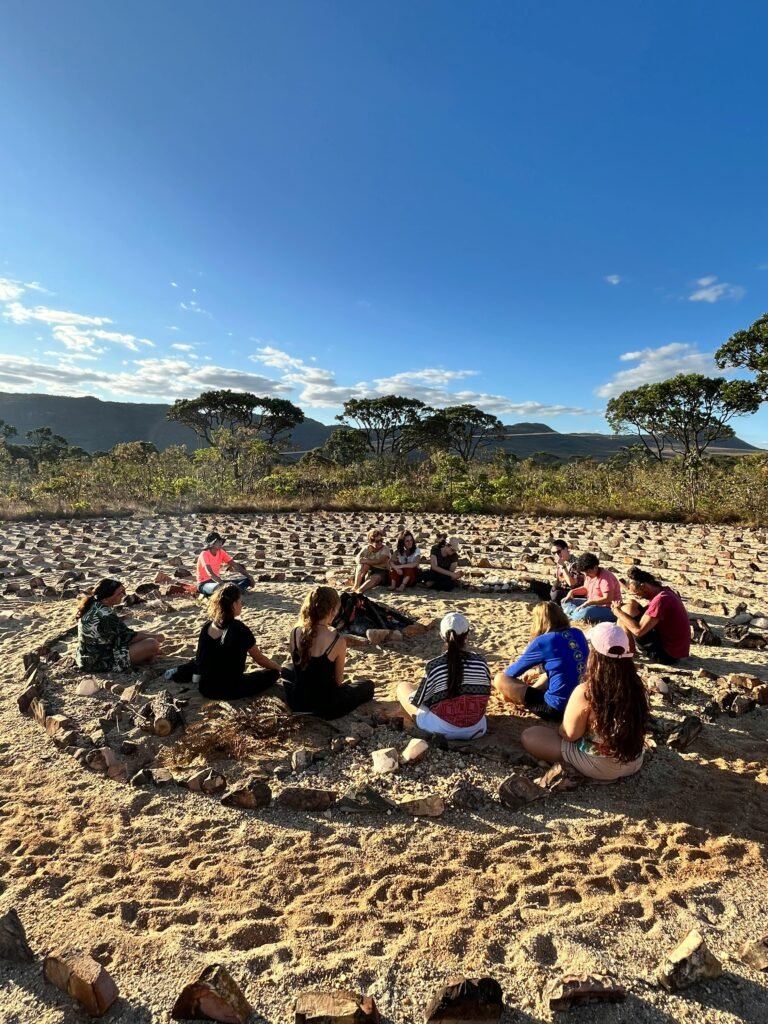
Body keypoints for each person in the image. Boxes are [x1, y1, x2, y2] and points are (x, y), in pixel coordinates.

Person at [521, 623, 649, 782]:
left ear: (594, 654)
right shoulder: (637, 685)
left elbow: (569, 735)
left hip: (601, 766)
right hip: (634, 759)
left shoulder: (587, 691)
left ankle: (585, 769)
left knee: (530, 735)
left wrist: (561, 728)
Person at [283, 586, 375, 718]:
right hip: (327, 707)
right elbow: (338, 681)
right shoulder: (336, 640)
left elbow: (300, 665)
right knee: (368, 686)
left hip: (298, 703)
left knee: (288, 667)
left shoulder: (295, 632)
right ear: (332, 610)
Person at [397, 612, 491, 739]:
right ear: (467, 634)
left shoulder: (434, 666)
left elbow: (419, 701)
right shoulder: (481, 663)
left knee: (403, 687)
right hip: (477, 728)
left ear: (442, 636)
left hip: (441, 729)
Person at [181, 584, 282, 700]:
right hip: (231, 689)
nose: (241, 604)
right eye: (240, 601)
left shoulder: (207, 627)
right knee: (271, 674)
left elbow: (199, 660)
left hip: (206, 688)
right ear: (233, 605)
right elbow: (260, 659)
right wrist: (278, 668)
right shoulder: (239, 629)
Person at [493, 601, 588, 722]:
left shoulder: (544, 641)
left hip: (555, 709)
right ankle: (534, 689)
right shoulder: (577, 633)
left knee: (500, 678)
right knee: (550, 673)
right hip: (578, 704)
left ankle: (518, 696)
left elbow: (512, 672)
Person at [75, 578, 160, 672]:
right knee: (152, 643)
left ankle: (145, 656)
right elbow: (127, 637)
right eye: (120, 593)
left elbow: (119, 635)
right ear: (107, 596)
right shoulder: (104, 614)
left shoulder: (94, 604)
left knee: (146, 636)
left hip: (88, 657)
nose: (123, 595)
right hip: (99, 662)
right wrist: (157, 637)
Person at [612, 566, 691, 664]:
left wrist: (617, 611)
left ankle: (629, 652)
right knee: (629, 605)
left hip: (668, 656)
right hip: (675, 650)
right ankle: (629, 650)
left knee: (624, 613)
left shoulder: (661, 600)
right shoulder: (665, 591)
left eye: (637, 593)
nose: (639, 597)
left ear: (644, 587)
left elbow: (639, 631)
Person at [561, 552, 621, 623]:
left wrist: (590, 602)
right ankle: (575, 614)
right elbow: (586, 588)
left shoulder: (605, 577)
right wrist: (572, 592)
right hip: (591, 603)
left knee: (587, 612)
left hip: (607, 608)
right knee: (565, 601)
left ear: (595, 567)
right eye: (584, 572)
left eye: (588, 572)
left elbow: (608, 598)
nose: (586, 574)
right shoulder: (589, 575)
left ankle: (571, 615)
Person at [196, 531, 255, 597]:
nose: (220, 543)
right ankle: (235, 590)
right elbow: (210, 573)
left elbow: (235, 565)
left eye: (220, 541)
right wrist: (223, 584)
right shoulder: (204, 554)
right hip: (204, 583)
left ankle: (233, 590)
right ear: (212, 543)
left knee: (247, 580)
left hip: (217, 581)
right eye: (218, 542)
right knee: (220, 588)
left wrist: (249, 577)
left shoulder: (221, 552)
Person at [353, 528, 391, 594]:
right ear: (371, 541)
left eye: (381, 540)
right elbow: (357, 559)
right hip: (369, 570)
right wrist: (363, 562)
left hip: (382, 570)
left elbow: (379, 561)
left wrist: (366, 560)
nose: (380, 543)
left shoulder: (385, 549)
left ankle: (360, 590)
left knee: (374, 577)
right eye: (377, 541)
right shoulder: (367, 548)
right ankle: (356, 585)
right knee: (362, 565)